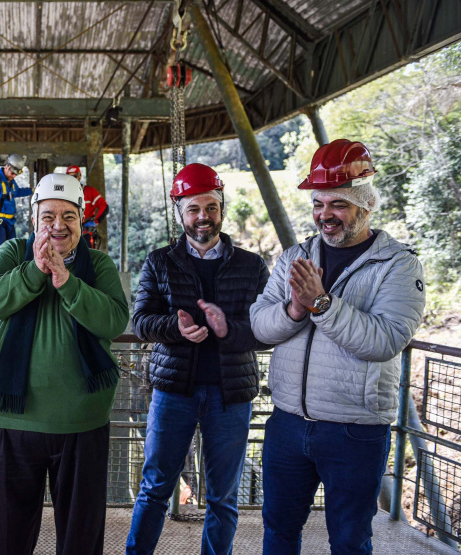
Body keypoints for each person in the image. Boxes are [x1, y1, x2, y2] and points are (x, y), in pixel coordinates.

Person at [249, 139, 425, 554]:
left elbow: (386, 340)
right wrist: (294, 309)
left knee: (348, 540)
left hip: (355, 429)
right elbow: (259, 325)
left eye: (338, 205)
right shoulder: (296, 256)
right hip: (288, 422)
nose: (324, 215)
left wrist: (322, 305)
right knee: (277, 532)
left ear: (366, 206)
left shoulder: (398, 265)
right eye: (318, 204)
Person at [0, 173, 129, 555]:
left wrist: (67, 281)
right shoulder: (12, 253)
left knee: (81, 536)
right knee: (8, 537)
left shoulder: (99, 265)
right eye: (48, 216)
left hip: (81, 419)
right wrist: (34, 271)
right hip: (10, 418)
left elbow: (113, 320)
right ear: (33, 219)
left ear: (81, 221)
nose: (58, 225)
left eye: (69, 216)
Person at [125, 163, 270, 555]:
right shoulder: (160, 262)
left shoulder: (252, 265)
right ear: (179, 212)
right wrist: (176, 328)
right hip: (174, 392)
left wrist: (228, 331)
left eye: (210, 207)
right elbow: (140, 322)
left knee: (223, 496)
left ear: (221, 209)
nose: (202, 216)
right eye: (193, 209)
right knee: (155, 488)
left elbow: (266, 329)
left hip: (231, 395)